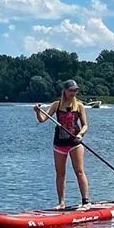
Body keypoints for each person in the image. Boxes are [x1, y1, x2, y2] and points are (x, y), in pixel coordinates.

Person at [33, 79, 90, 209]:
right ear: (64, 91)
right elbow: (42, 120)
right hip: (59, 143)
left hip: (75, 142)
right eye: (71, 90)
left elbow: (85, 125)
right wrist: (37, 112)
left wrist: (80, 134)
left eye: (76, 90)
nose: (74, 93)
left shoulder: (79, 106)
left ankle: (86, 201)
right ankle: (61, 203)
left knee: (79, 171)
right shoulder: (56, 105)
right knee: (60, 173)